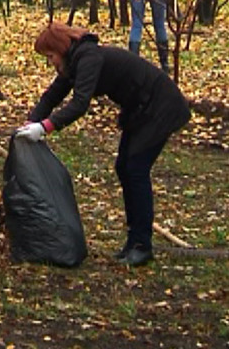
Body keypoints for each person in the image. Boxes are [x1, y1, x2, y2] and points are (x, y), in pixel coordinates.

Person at [16, 22, 190, 266]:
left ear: (61, 49)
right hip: (140, 109)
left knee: (135, 169)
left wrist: (45, 127)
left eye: (50, 56)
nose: (51, 63)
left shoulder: (88, 59)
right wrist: (30, 122)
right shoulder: (74, 62)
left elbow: (79, 103)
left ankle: (141, 244)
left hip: (161, 107)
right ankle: (134, 241)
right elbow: (53, 95)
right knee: (125, 167)